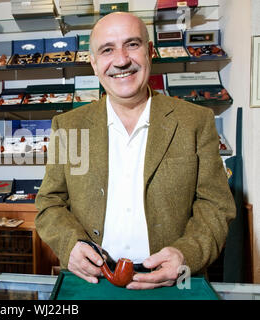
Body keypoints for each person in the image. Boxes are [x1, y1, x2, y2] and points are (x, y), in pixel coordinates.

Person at [34, 12, 236, 290]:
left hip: (174, 281)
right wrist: (69, 244)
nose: (121, 60)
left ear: (150, 52)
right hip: (94, 279)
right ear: (93, 64)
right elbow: (50, 202)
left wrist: (186, 254)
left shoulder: (195, 121)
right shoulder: (69, 126)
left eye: (132, 44)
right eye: (107, 50)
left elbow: (215, 205)